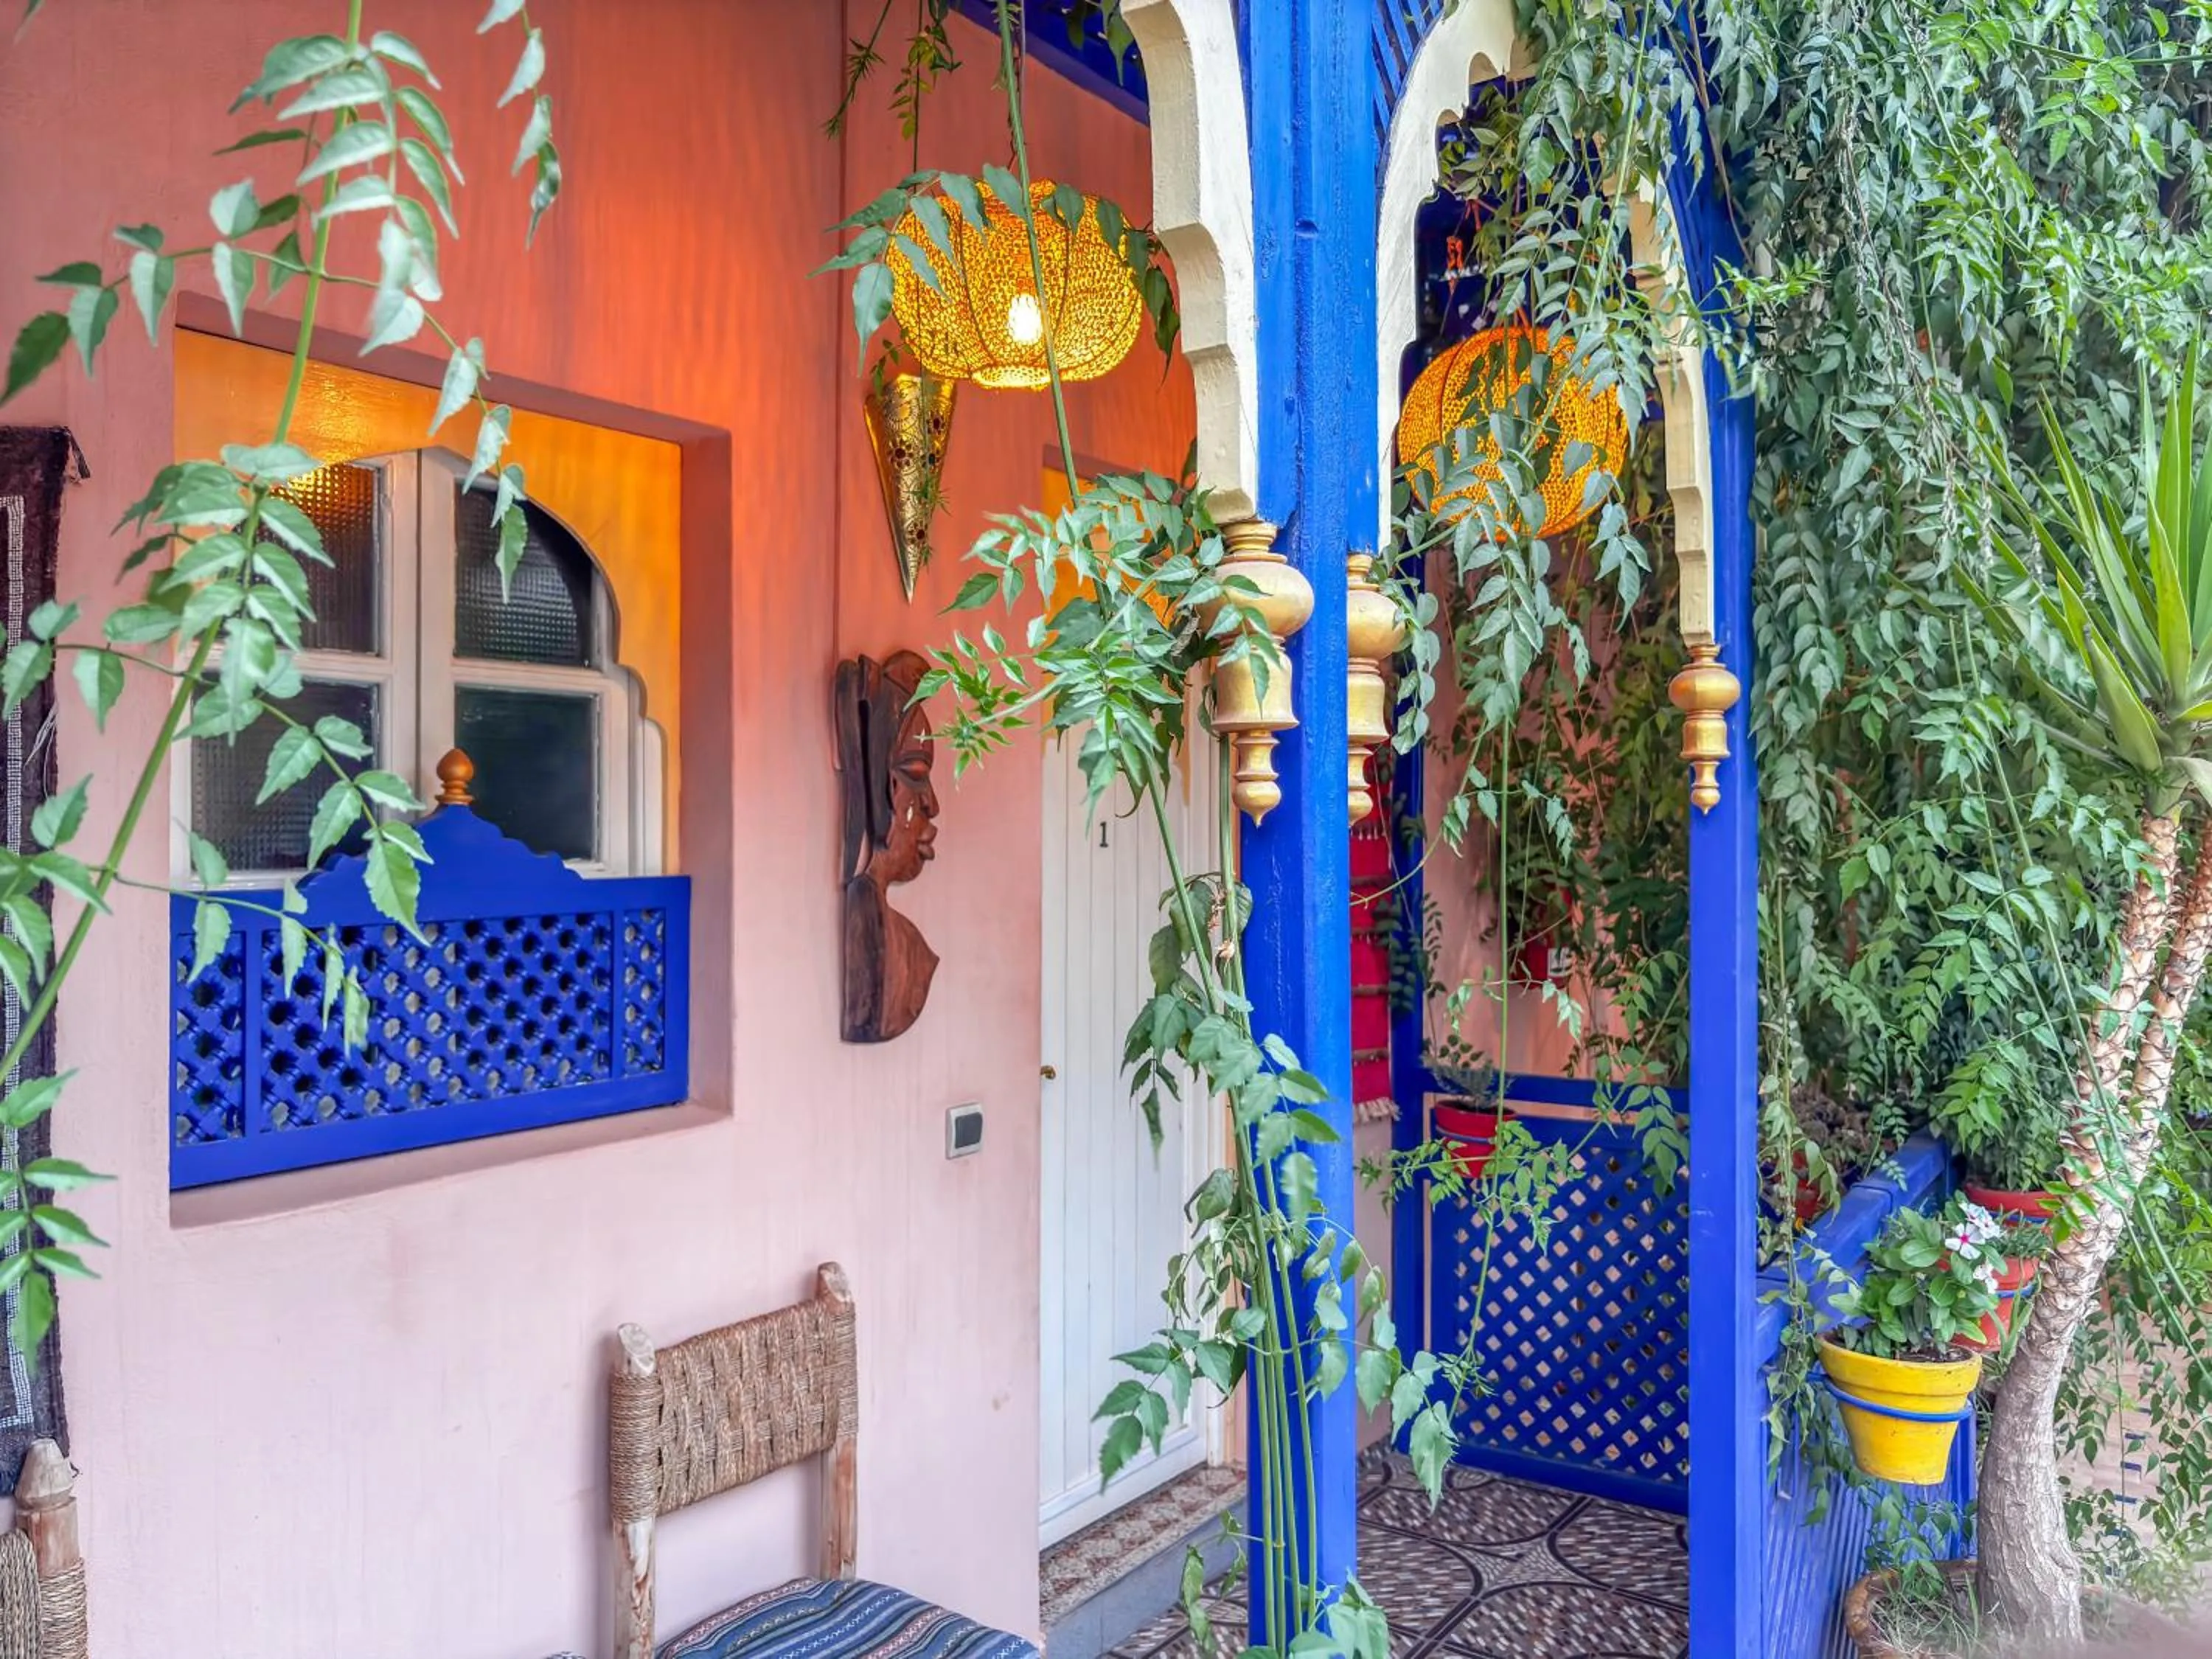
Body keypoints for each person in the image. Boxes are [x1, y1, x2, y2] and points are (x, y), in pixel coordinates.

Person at [835, 651, 941, 1043]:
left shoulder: (909, 951)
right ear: (881, 787)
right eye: (915, 772)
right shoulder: (876, 924)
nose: (932, 803)